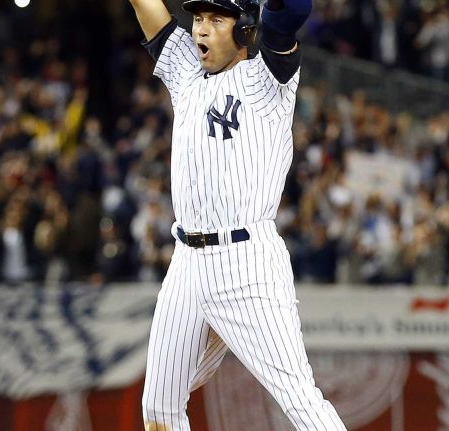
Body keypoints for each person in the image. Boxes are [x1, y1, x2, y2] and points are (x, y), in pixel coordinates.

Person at [127, 0, 346, 429]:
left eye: (216, 19)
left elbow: (289, 14)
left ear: (245, 29)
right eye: (198, 19)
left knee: (301, 400)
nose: (201, 30)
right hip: (187, 263)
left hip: (246, 263)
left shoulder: (267, 79)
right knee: (159, 409)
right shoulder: (186, 71)